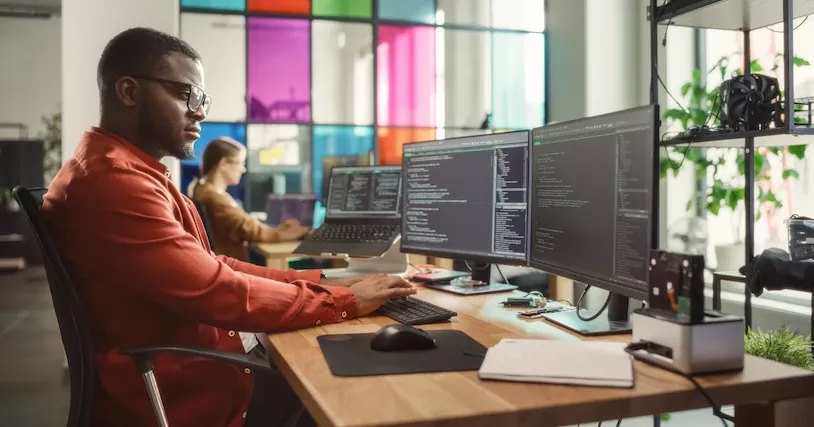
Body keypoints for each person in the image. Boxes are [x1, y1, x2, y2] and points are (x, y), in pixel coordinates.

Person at [42, 27, 416, 427]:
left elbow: (214, 264)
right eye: (187, 94)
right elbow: (217, 289)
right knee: (363, 393)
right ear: (130, 92)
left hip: (198, 368)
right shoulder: (114, 182)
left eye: (202, 98)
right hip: (193, 395)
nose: (200, 111)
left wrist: (328, 280)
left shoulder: (132, 170)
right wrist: (342, 303)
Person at [188, 136, 308, 261]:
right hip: (232, 267)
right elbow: (255, 232)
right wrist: (301, 232)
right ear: (223, 163)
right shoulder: (215, 198)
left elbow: (246, 224)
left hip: (224, 262)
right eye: (240, 163)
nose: (243, 169)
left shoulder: (203, 189)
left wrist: (281, 229)